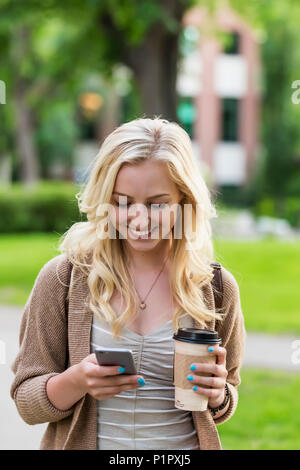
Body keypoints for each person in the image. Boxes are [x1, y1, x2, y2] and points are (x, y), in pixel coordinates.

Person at [10, 117, 246, 450]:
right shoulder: (64, 279)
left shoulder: (216, 287)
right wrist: (76, 381)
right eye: (123, 202)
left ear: (184, 200)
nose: (140, 219)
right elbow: (26, 401)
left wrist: (218, 393)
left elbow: (225, 400)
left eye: (157, 204)